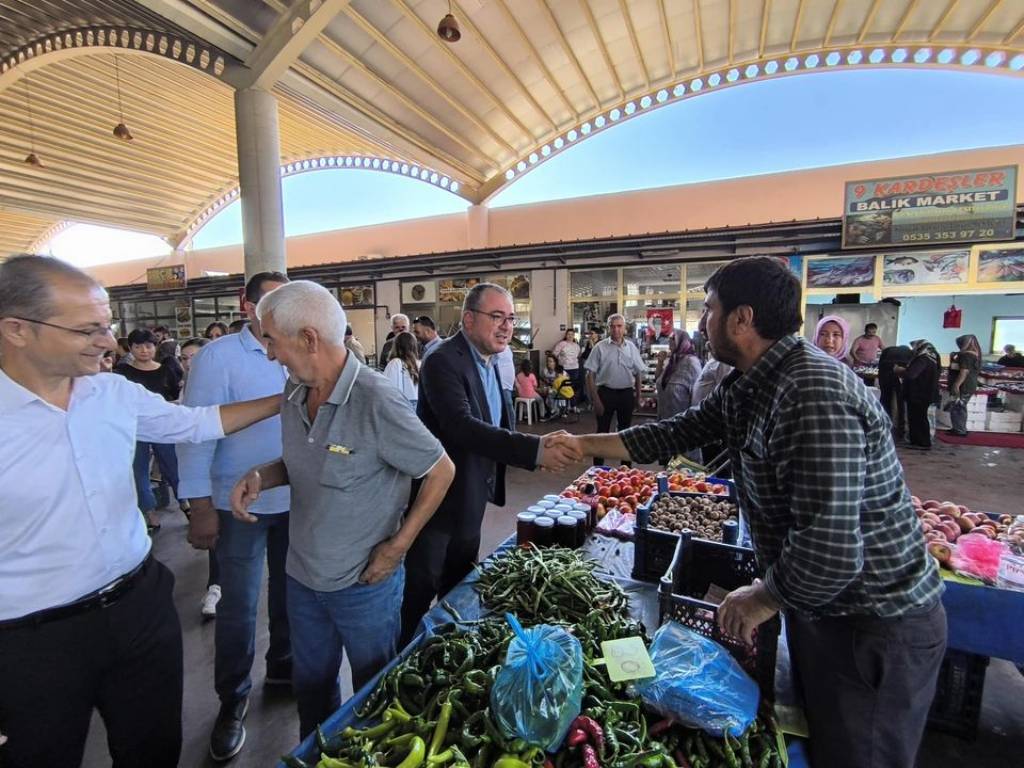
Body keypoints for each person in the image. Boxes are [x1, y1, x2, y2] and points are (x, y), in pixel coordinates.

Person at [551, 256, 945, 768]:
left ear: (742, 318)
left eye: (709, 308)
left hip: (871, 624)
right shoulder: (751, 382)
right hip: (827, 609)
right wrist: (583, 445)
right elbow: (674, 432)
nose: (702, 322)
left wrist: (763, 597)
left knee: (859, 754)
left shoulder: (812, 393)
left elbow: (831, 548)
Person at [0, 254, 281, 768]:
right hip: (30, 637)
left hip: (139, 605)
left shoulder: (111, 393)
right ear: (17, 330)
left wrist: (288, 397)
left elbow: (194, 424)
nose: (109, 342)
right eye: (87, 329)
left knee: (153, 746)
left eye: (107, 326)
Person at [230, 280, 455, 739]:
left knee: (375, 690)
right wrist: (262, 476)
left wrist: (397, 547)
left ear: (309, 338)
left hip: (363, 585)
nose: (269, 353)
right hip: (302, 576)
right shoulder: (294, 394)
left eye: (271, 339)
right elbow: (302, 462)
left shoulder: (376, 399)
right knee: (311, 686)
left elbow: (440, 470)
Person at [401, 283, 582, 645]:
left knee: (457, 591)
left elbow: (497, 423)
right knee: (416, 596)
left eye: (511, 318)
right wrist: (534, 450)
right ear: (468, 319)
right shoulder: (442, 361)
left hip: (471, 497)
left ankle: (446, 655)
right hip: (438, 506)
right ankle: (394, 667)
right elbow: (463, 427)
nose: (506, 326)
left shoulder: (493, 361)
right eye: (496, 316)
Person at [178, 272, 293, 761]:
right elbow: (195, 432)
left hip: (297, 499)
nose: (277, 313)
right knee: (239, 607)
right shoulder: (218, 357)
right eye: (267, 302)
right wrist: (200, 504)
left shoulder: (301, 350)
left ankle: (284, 667)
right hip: (236, 503)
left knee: (294, 596)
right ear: (246, 307)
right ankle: (233, 699)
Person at [115, 328, 184, 533]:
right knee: (140, 470)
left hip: (163, 427)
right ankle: (149, 512)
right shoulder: (122, 373)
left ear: (155, 347)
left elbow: (173, 394)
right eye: (138, 346)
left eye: (148, 346)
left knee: (172, 465)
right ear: (131, 349)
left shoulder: (166, 370)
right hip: (134, 429)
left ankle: (186, 503)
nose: (144, 350)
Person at [584, 313, 646, 465]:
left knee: (626, 433)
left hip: (626, 394)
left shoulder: (631, 347)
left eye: (619, 326)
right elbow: (589, 375)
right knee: (602, 432)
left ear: (625, 328)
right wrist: (595, 400)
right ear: (608, 328)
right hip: (606, 393)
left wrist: (638, 396)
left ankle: (626, 468)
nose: (616, 330)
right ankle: (598, 468)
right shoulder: (600, 347)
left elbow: (638, 373)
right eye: (612, 326)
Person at [900, 340, 941, 450]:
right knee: (917, 418)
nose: (913, 350)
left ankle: (923, 443)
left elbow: (912, 375)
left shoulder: (923, 359)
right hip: (924, 393)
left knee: (919, 418)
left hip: (919, 394)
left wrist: (901, 371)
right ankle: (916, 441)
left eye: (914, 347)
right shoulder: (933, 357)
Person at [655, 329, 702, 420]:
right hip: (663, 420)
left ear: (682, 340)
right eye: (669, 338)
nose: (669, 341)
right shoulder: (672, 361)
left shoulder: (691, 363)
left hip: (680, 424)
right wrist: (660, 362)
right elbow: (658, 380)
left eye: (673, 338)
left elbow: (697, 397)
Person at [947, 334, 982, 437]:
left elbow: (964, 371)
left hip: (963, 385)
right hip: (969, 384)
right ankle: (958, 428)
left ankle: (959, 430)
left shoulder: (966, 355)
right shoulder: (975, 355)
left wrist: (956, 385)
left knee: (958, 406)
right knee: (960, 406)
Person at [878, 344, 913, 440]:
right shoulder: (909, 353)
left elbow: (880, 366)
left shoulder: (888, 350)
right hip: (899, 374)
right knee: (901, 402)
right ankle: (901, 430)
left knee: (885, 400)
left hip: (885, 373)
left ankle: (884, 426)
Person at [383, 330, 421, 407]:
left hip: (402, 404)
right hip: (419, 404)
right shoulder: (420, 364)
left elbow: (387, 388)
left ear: (396, 346)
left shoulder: (395, 363)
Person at [553, 329, 583, 404]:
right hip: (564, 368)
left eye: (572, 334)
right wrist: (561, 358)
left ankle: (572, 404)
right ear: (566, 335)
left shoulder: (576, 345)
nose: (570, 336)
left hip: (575, 368)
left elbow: (579, 355)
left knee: (573, 386)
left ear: (574, 336)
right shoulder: (561, 344)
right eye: (568, 334)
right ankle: (565, 405)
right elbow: (554, 354)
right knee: (564, 387)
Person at [495, 344, 516, 417]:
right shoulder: (495, 347)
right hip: (502, 385)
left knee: (508, 409)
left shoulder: (507, 347)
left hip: (508, 386)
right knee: (508, 409)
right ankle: (510, 428)